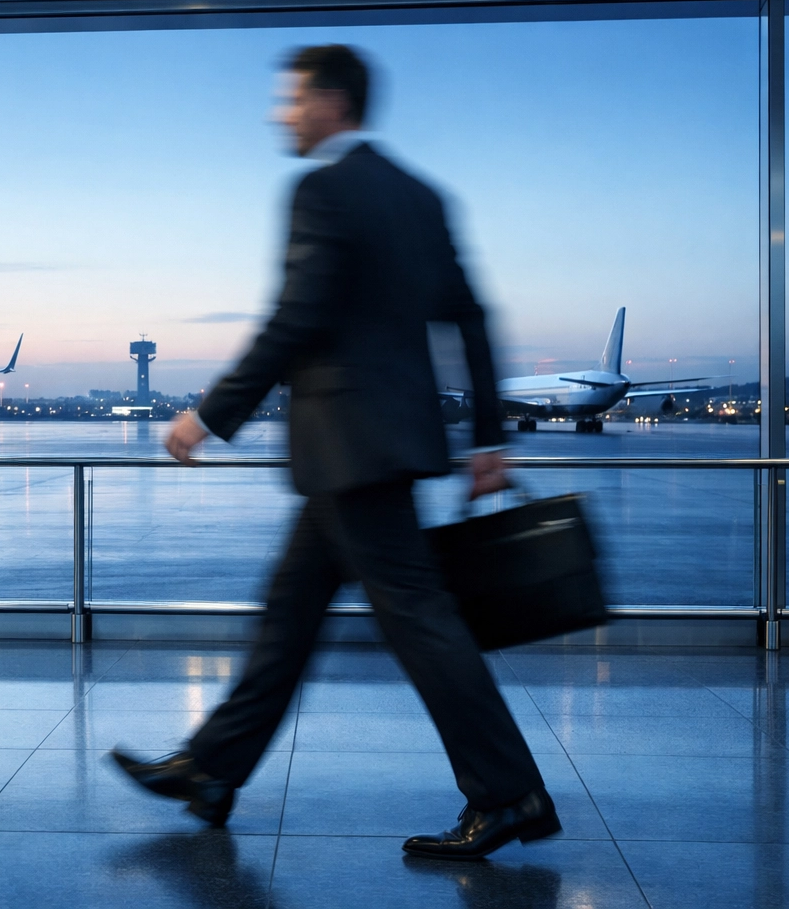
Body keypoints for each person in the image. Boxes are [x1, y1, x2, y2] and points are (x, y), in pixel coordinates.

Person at [110, 45, 559, 860]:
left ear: (330, 103)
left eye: (291, 100)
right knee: (288, 619)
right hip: (375, 449)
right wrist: (487, 434)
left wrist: (208, 415)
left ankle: (509, 793)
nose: (281, 114)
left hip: (351, 449)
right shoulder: (421, 196)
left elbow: (298, 318)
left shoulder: (321, 189)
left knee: (422, 623)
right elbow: (472, 315)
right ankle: (211, 772)